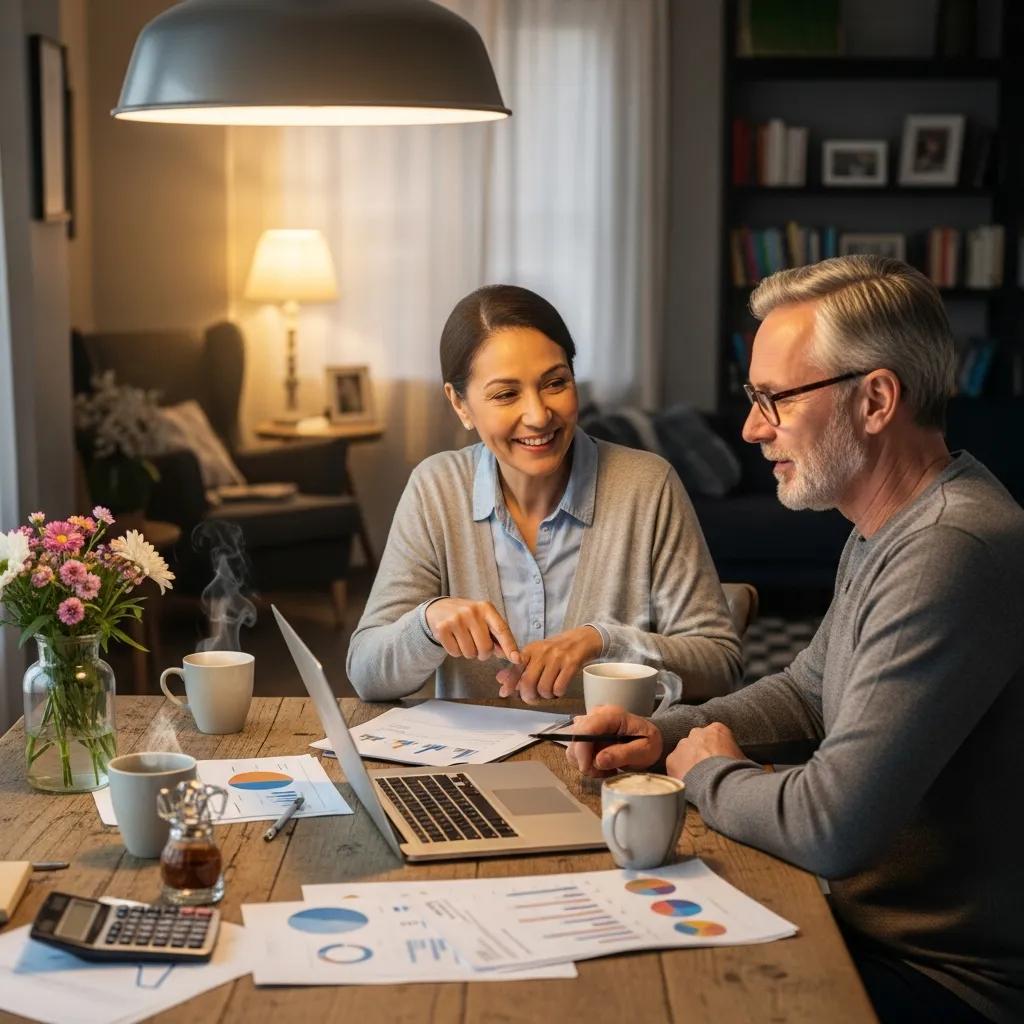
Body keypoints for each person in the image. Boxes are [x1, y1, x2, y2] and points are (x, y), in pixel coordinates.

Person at [568, 256, 1024, 1024]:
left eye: (774, 398)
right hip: (860, 931)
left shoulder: (952, 546)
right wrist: (661, 733)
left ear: (876, 400)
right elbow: (809, 690)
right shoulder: (888, 525)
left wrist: (707, 772)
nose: (752, 427)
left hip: (944, 982)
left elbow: (829, 824)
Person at [348, 284, 742, 703]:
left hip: (612, 765)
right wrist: (425, 624)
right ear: (460, 404)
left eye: (555, 383)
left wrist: (602, 643)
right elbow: (366, 673)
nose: (538, 416)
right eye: (506, 394)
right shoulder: (436, 488)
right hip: (476, 766)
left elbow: (720, 666)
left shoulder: (647, 485)